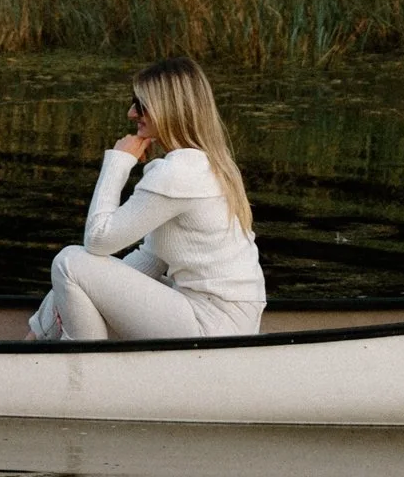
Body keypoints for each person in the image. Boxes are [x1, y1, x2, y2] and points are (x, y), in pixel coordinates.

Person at [28, 50, 265, 343]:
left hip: (212, 325)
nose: (131, 113)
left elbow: (98, 240)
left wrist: (117, 162)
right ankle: (45, 344)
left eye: (141, 105)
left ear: (169, 109)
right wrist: (43, 322)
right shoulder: (205, 164)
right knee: (78, 273)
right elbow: (150, 259)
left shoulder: (177, 173)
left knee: (68, 261)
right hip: (229, 320)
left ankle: (85, 370)